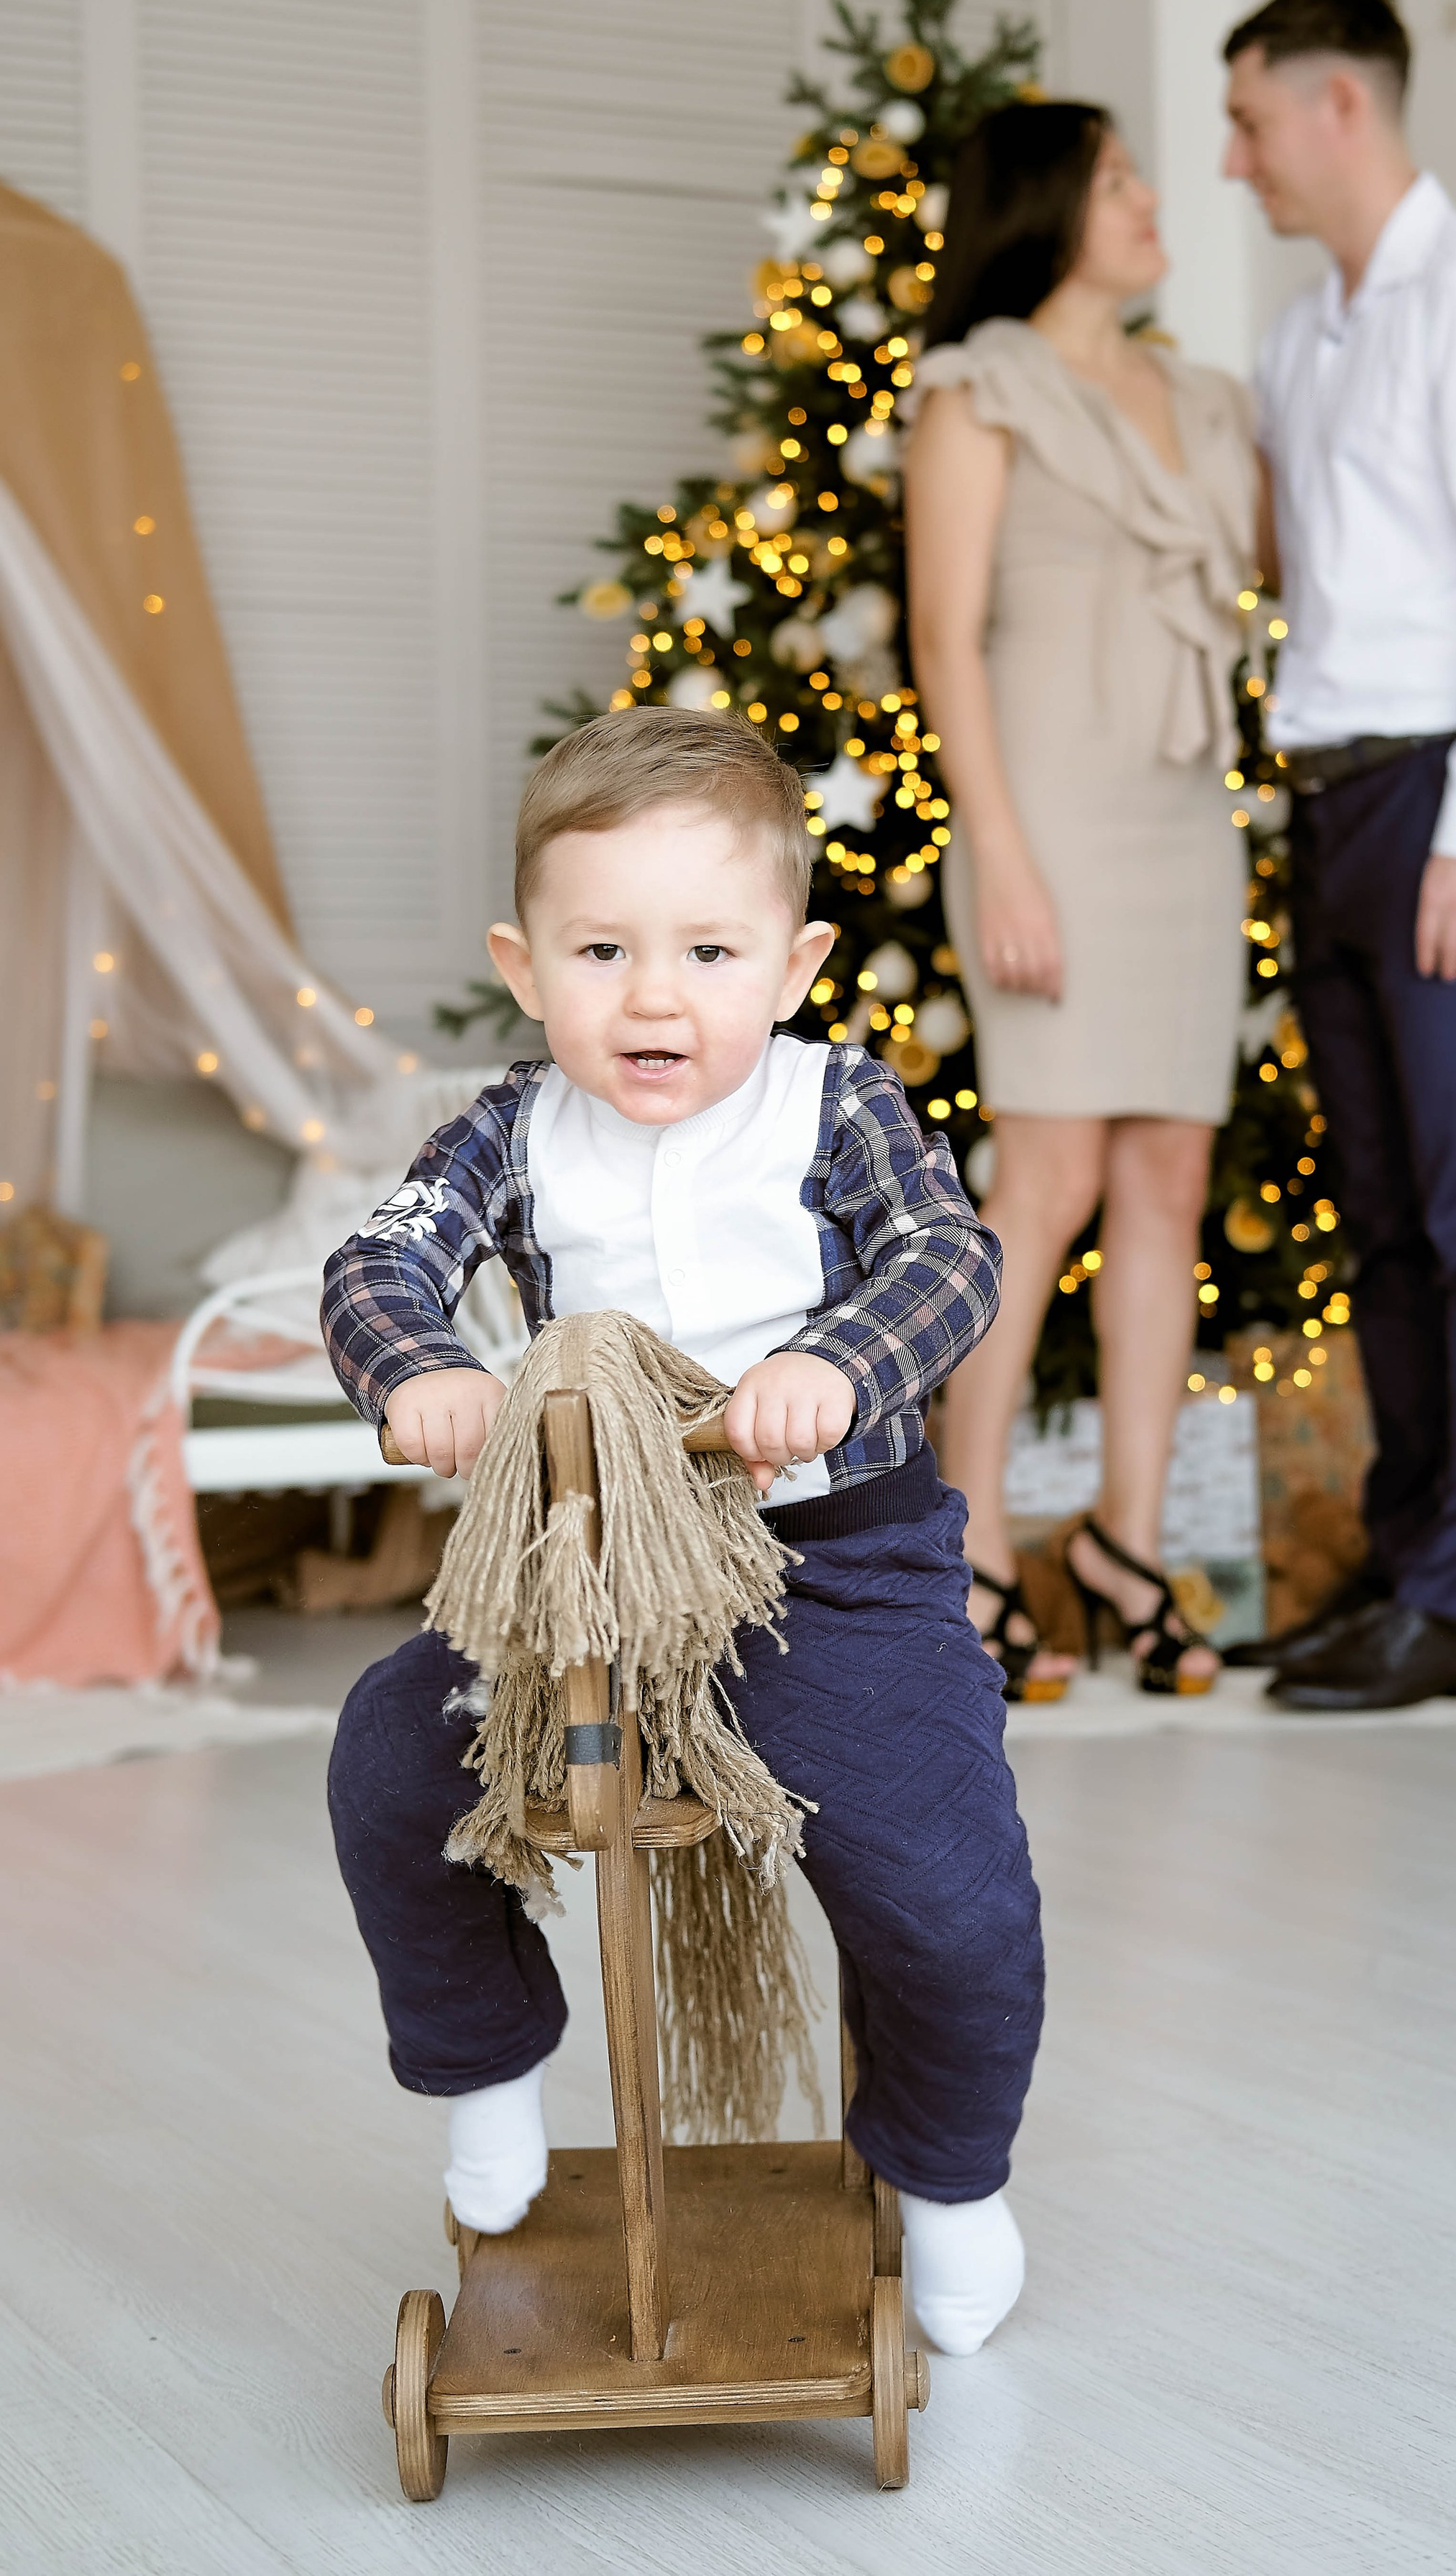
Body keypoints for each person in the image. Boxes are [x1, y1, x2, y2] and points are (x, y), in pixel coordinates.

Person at [321, 711, 1043, 2358]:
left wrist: (834, 1367)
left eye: (708, 952)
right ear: (524, 968)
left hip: (829, 1569)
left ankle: (947, 2175)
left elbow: (947, 1260)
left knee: (945, 1885)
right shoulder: (509, 1130)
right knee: (388, 1762)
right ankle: (489, 2066)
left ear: (792, 967)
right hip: (577, 1579)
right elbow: (379, 1262)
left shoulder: (833, 1107)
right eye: (602, 952)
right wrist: (421, 1369)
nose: (654, 997)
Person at [1221, 0, 1456, 1711]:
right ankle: (1401, 1563)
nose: (1234, 162)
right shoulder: (1300, 340)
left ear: (1338, 106)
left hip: (1449, 800)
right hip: (1328, 804)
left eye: (1248, 123)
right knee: (1377, 1219)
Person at [904, 101, 1260, 1700]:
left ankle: (1126, 1540)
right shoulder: (976, 392)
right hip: (1045, 815)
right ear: (1048, 207)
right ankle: (969, 1544)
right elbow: (944, 642)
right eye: (1116, 179)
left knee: (1168, 1178)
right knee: (1043, 1178)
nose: (1148, 199)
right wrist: (1003, 855)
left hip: (1182, 812)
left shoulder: (1205, 399)